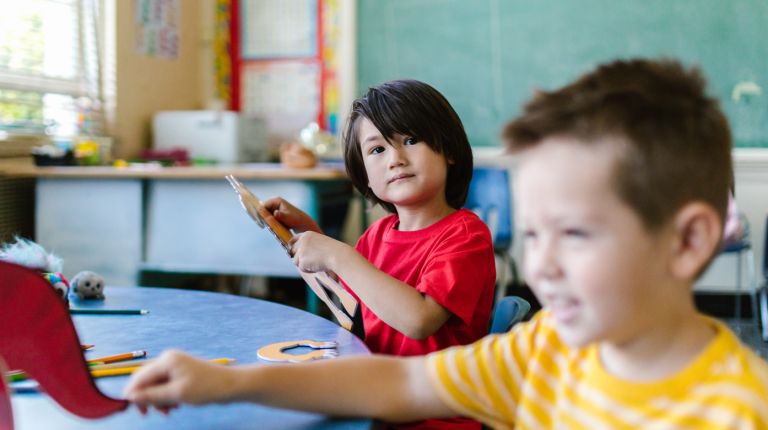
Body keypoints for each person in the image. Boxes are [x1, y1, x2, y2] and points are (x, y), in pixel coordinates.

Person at [125, 59, 768, 428]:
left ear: (687, 242)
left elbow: (413, 327)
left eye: (574, 233)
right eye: (535, 232)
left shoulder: (737, 410)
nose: (541, 264)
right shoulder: (544, 349)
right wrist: (225, 382)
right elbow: (400, 384)